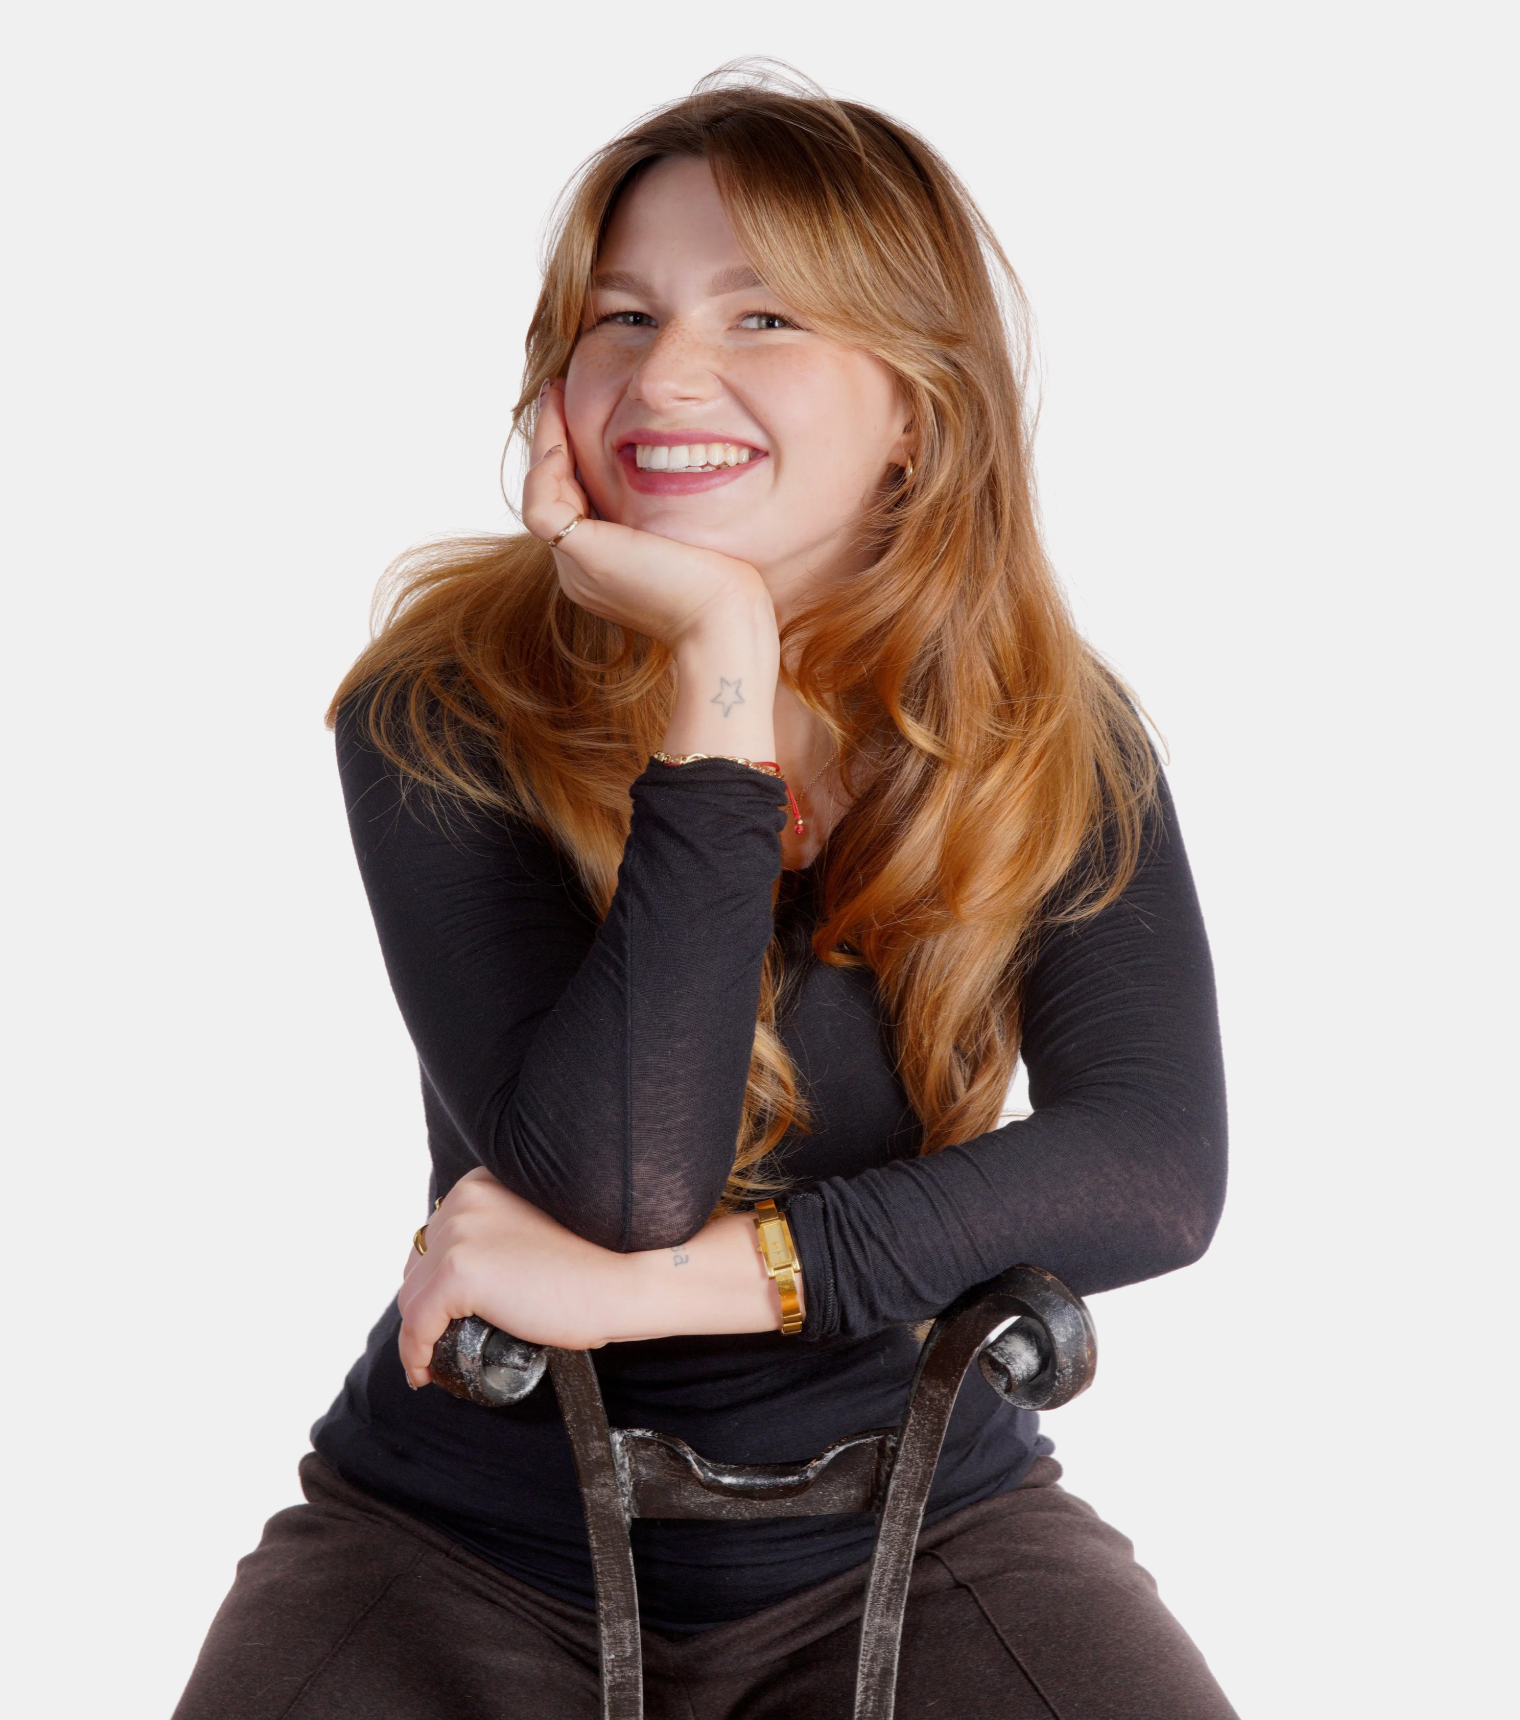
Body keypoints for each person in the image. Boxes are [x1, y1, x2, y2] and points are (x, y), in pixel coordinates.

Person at [175, 70, 1236, 1720]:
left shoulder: (1043, 733)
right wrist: (720, 665)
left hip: (926, 1527)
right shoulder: (440, 702)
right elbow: (618, 1176)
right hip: (461, 1548)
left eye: (762, 318)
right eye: (621, 316)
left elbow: (1156, 1171)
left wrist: (661, 1298)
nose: (668, 372)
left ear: (919, 406)